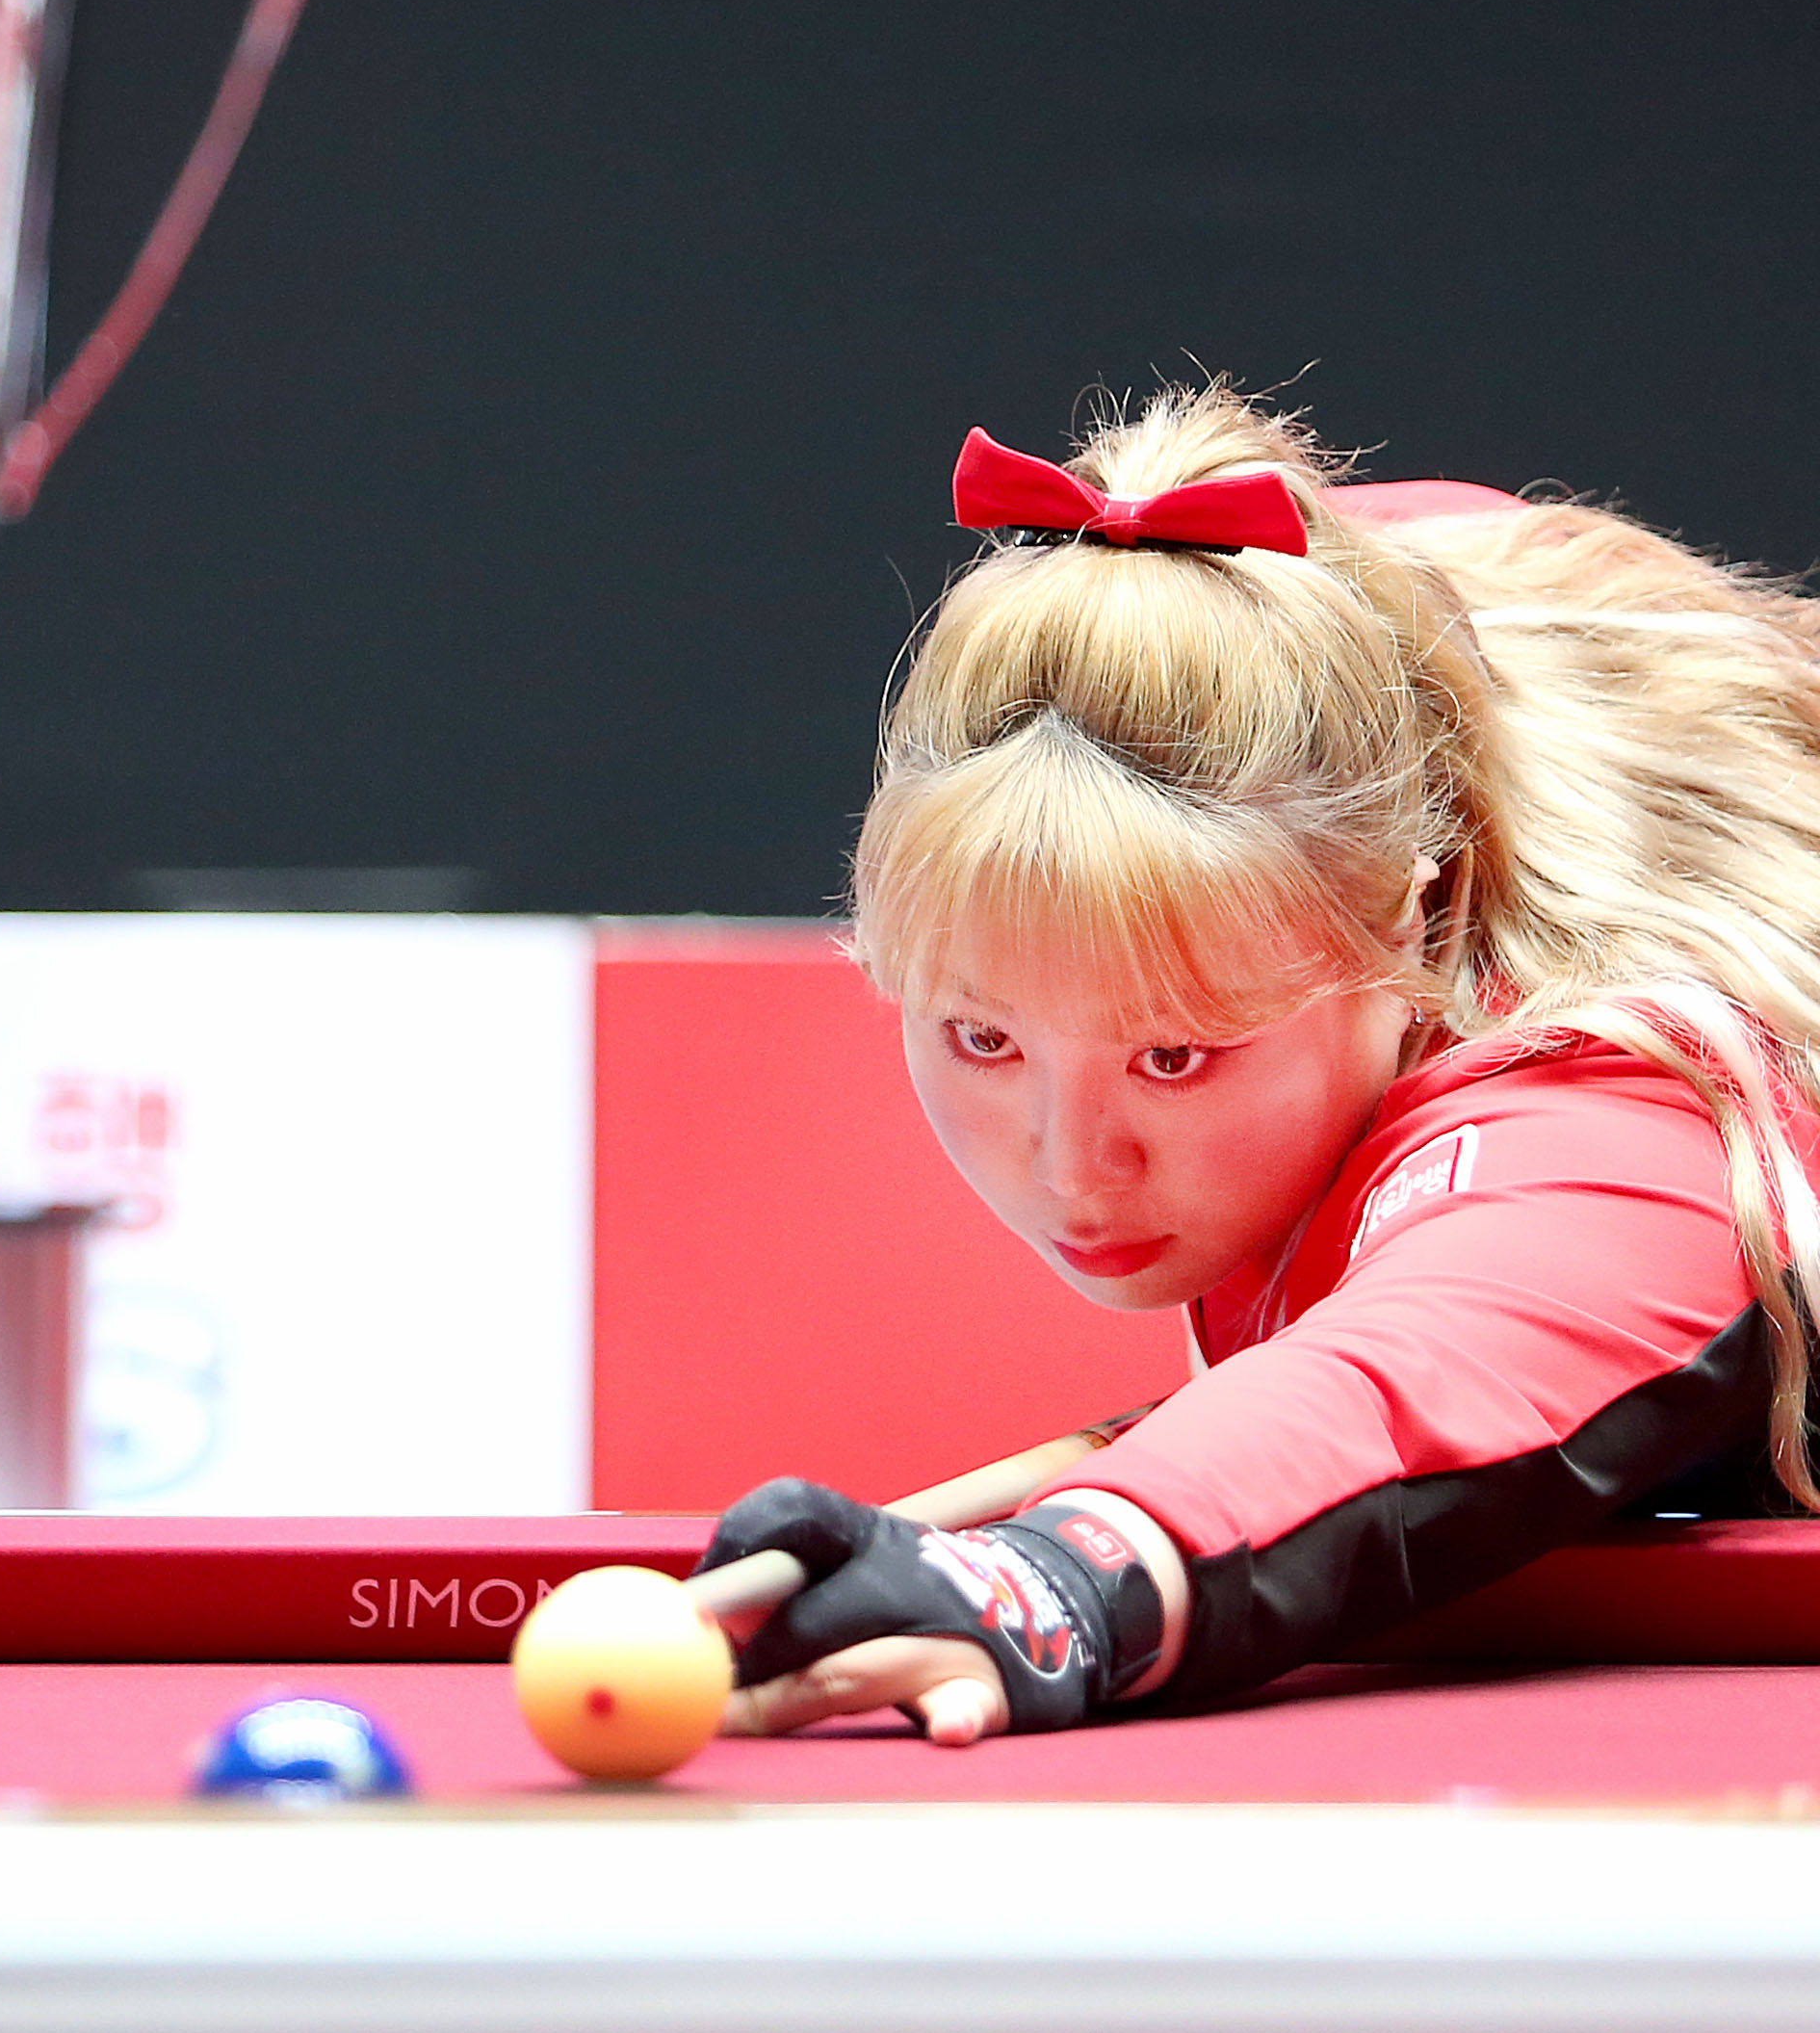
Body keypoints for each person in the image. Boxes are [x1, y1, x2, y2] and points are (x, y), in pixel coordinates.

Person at [707, 382, 1820, 1746]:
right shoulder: (1289, 640)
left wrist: (1062, 1575)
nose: (1071, 1164)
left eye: (1174, 1054)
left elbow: (1421, 1371)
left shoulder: (1620, 1091)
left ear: (1407, 917)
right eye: (983, 1036)